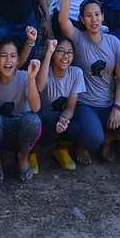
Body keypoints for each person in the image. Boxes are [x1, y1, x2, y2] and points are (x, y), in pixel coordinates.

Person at [55, 0, 120, 165]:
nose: (94, 19)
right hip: (85, 103)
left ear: (103, 16)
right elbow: (62, 21)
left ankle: (107, 139)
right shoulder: (78, 38)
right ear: (82, 19)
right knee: (93, 138)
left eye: (97, 15)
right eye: (88, 16)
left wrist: (117, 107)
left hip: (108, 102)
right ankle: (82, 144)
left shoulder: (113, 42)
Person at [0, 41, 43, 181]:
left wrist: (31, 79)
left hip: (20, 130)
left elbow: (36, 108)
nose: (8, 60)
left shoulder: (24, 76)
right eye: (3, 55)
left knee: (33, 120)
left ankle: (23, 157)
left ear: (18, 60)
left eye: (12, 56)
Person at [35, 36, 83, 172]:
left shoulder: (76, 73)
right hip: (41, 118)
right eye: (60, 51)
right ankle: (31, 153)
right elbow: (39, 87)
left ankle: (61, 149)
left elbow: (70, 107)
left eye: (69, 52)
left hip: (59, 117)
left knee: (74, 130)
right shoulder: (45, 70)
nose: (65, 56)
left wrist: (64, 119)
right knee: (47, 134)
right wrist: (48, 53)